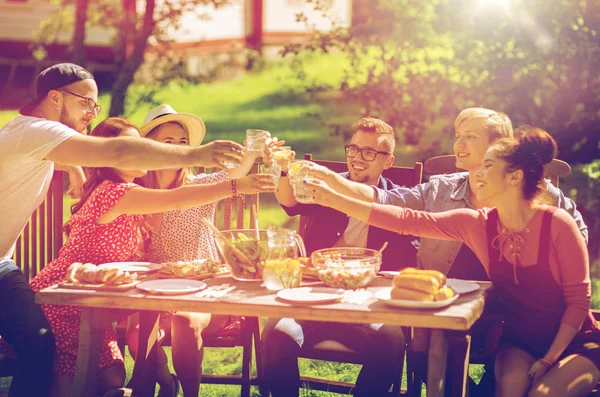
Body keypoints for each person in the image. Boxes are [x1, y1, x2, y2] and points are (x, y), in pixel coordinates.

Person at [299, 108, 588, 394]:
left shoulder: (555, 215)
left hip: (565, 332)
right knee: (473, 367)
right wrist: (331, 192)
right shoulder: (475, 222)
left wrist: (550, 359)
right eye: (458, 136)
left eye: (486, 164)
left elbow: (578, 296)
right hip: (505, 332)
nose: (477, 175)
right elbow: (402, 218)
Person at [0, 63, 243, 397]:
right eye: (86, 102)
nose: (91, 112)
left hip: (6, 265)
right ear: (55, 98)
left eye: (95, 105)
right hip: (65, 297)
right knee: (42, 349)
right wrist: (196, 154)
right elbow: (116, 153)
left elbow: (53, 155)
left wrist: (74, 168)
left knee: (75, 363)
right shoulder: (38, 132)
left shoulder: (34, 137)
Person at [27, 117, 276, 397]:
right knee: (74, 378)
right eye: (135, 149)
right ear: (110, 156)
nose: (144, 153)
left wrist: (74, 168)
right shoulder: (118, 192)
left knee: (113, 377)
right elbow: (178, 199)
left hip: (91, 299)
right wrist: (237, 187)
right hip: (65, 300)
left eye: (143, 147)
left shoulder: (125, 187)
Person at [124, 104, 279, 396]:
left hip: (205, 294)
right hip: (154, 298)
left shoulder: (200, 187)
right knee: (137, 335)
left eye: (183, 143)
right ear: (149, 147)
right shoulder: (134, 195)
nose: (177, 149)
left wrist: (255, 148)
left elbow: (237, 174)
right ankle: (167, 383)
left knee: (184, 320)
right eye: (167, 142)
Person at [262, 118, 414, 397]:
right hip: (311, 298)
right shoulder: (325, 187)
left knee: (392, 340)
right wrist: (283, 168)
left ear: (388, 161)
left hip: (368, 305)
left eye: (369, 153)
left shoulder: (396, 202)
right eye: (353, 149)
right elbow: (289, 200)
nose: (357, 159)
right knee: (275, 332)